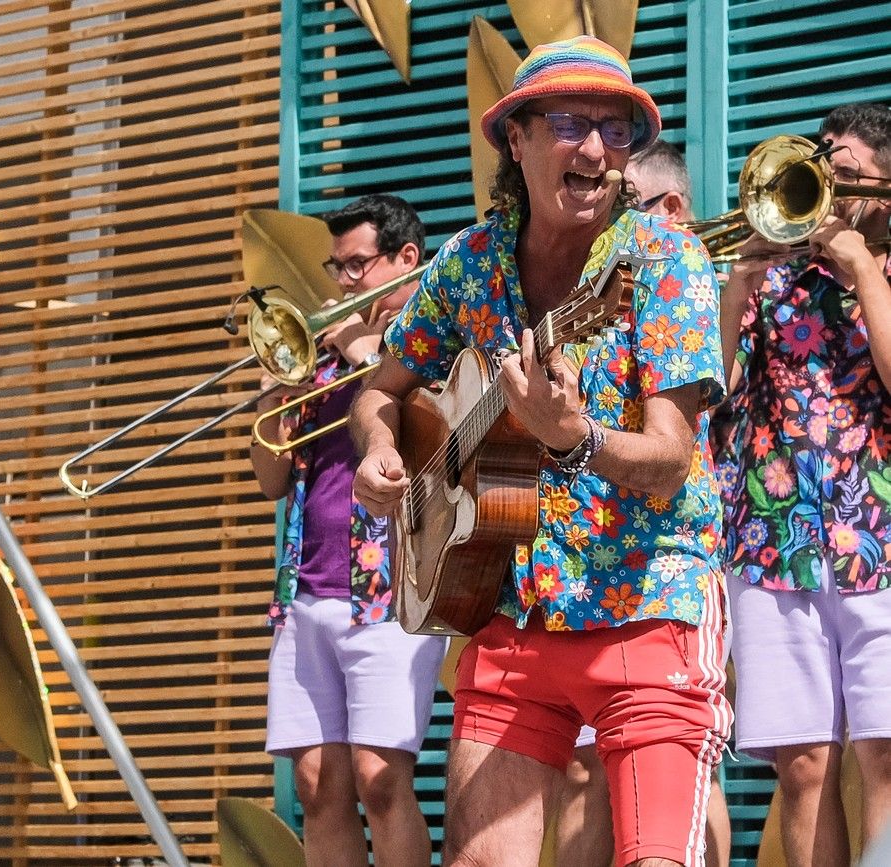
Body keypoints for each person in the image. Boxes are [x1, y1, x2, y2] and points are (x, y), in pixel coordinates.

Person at [350, 36, 732, 867]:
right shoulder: (467, 264)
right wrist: (381, 446)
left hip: (650, 597)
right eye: (569, 123)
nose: (595, 149)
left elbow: (672, 459)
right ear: (516, 140)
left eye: (616, 129)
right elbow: (380, 390)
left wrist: (575, 437)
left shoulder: (666, 260)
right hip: (513, 607)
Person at [717, 102, 891, 867]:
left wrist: (862, 267)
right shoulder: (771, 279)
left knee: (885, 752)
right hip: (773, 541)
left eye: (846, 171)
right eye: (821, 165)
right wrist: (736, 288)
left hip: (881, 540)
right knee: (804, 765)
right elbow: (704, 404)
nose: (829, 183)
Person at [253, 193, 447, 866]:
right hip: (307, 594)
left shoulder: (434, 341)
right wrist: (275, 386)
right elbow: (270, 479)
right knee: (316, 785)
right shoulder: (324, 360)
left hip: (392, 591)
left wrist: (368, 355)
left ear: (406, 258)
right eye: (337, 267)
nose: (342, 281)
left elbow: (437, 426)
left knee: (381, 779)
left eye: (356, 265)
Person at [555, 138, 733, 867]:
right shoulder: (582, 278)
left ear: (670, 208)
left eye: (626, 200)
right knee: (586, 772)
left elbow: (707, 402)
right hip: (578, 572)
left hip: (669, 563)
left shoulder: (681, 269)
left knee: (680, 764)